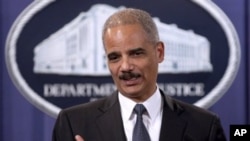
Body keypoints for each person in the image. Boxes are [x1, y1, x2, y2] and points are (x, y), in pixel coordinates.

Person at [52, 8, 227, 141]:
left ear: (159, 52)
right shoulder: (73, 124)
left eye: (136, 53)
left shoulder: (205, 126)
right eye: (114, 57)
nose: (125, 66)